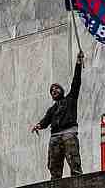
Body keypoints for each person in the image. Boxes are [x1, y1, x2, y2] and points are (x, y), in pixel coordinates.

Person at [31, 51, 85, 179]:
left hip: (68, 134)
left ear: (62, 91)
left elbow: (76, 81)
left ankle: (78, 183)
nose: (54, 91)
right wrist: (38, 125)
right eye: (52, 90)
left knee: (74, 163)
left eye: (56, 88)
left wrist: (78, 63)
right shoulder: (52, 109)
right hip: (55, 136)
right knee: (54, 167)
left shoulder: (71, 98)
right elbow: (45, 120)